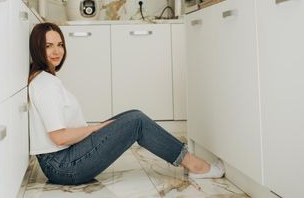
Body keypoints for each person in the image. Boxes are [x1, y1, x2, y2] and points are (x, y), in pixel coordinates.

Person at [28, 22, 225, 185]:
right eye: (48, 46)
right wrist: (95, 129)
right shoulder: (46, 85)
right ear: (37, 49)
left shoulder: (45, 80)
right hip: (64, 167)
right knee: (135, 121)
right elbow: (58, 137)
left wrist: (96, 129)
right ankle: (196, 166)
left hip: (63, 160)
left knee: (131, 115)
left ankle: (191, 162)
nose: (56, 51)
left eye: (60, 44)